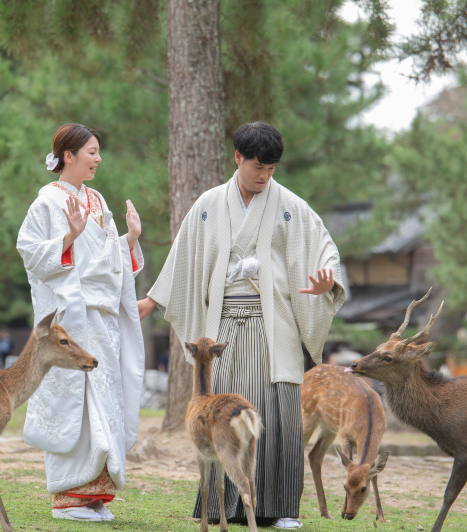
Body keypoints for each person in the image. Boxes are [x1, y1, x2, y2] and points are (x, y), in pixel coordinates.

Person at [138, 121, 347, 529]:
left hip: (274, 324)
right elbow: (183, 258)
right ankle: (225, 506)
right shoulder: (209, 205)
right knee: (221, 413)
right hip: (222, 326)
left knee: (277, 411)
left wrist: (328, 281)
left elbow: (324, 248)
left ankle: (280, 507)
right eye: (257, 166)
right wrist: (152, 299)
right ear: (238, 158)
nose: (264, 175)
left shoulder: (291, 206)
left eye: (271, 168)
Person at [17, 123, 146, 522]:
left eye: (98, 151)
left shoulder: (97, 199)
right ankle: (68, 497)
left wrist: (130, 239)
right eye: (91, 152)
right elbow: (30, 253)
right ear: (68, 155)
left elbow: (107, 259)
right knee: (75, 400)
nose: (98, 159)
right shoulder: (46, 202)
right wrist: (68, 238)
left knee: (104, 399)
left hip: (102, 320)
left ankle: (95, 495)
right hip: (72, 320)